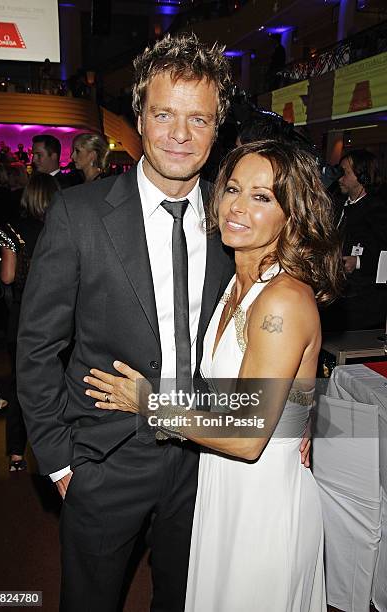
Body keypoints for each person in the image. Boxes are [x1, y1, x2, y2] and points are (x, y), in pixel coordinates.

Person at [17, 33, 309, 611]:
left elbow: (286, 320)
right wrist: (59, 463)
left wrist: (298, 418)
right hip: (103, 462)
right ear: (140, 118)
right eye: (164, 114)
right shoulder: (78, 216)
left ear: (216, 127)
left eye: (198, 119)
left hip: (205, 465)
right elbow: (35, 348)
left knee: (183, 600)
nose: (180, 134)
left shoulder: (234, 224)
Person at [86, 140, 344, 610]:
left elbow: (247, 436)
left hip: (262, 502)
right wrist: (302, 413)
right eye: (232, 189)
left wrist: (147, 401)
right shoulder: (234, 281)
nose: (238, 207)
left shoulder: (282, 300)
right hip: (222, 486)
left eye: (262, 197)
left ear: (293, 214)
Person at [0, 173, 58, 470]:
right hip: (59, 317)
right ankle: (58, 451)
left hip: (23, 318)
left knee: (21, 385)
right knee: (57, 383)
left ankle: (17, 454)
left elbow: (7, 276)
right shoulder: (63, 228)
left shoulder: (13, 230)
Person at [322, 148, 387, 331]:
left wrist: (358, 261)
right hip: (338, 295)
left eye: (345, 172)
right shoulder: (337, 203)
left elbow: (383, 255)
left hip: (363, 304)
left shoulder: (377, 209)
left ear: (362, 177)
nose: (340, 177)